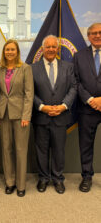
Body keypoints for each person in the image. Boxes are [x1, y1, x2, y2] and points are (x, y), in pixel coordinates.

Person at [31, 35, 77, 194]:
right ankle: (43, 178)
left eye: (53, 47)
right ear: (42, 49)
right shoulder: (32, 68)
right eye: (47, 47)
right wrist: (42, 107)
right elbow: (30, 92)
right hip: (41, 117)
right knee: (41, 150)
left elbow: (73, 88)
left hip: (61, 116)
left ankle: (58, 179)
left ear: (58, 49)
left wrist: (63, 106)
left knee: (59, 150)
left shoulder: (68, 67)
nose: (51, 49)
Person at [0, 39, 34, 197]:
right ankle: (10, 182)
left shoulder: (25, 68)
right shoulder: (0, 70)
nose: (9, 52)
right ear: (4, 52)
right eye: (7, 50)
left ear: (17, 51)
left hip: (20, 116)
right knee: (6, 149)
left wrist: (26, 115)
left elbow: (29, 94)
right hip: (3, 114)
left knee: (20, 150)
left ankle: (21, 185)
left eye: (12, 49)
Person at [74, 23, 101, 192]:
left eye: (100, 33)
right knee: (86, 145)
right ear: (88, 36)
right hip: (87, 108)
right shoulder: (79, 56)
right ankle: (86, 177)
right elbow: (75, 81)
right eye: (94, 33)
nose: (97, 36)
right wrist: (91, 99)